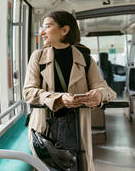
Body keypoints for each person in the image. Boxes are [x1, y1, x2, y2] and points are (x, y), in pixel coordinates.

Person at [23, 11, 116, 171]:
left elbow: (107, 90)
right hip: (46, 127)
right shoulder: (37, 57)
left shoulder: (86, 59)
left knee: (78, 166)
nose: (42, 32)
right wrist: (58, 99)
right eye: (42, 27)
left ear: (64, 30)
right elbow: (28, 92)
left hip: (77, 126)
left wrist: (99, 94)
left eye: (47, 26)